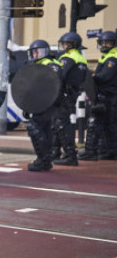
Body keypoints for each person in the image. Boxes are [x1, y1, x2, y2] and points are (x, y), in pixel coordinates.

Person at [26, 40, 63, 171]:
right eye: (33, 52)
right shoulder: (35, 65)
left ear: (46, 52)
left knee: (35, 128)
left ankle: (43, 159)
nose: (36, 54)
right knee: (44, 131)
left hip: (48, 104)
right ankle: (45, 159)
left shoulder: (52, 65)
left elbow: (52, 85)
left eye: (38, 51)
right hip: (38, 104)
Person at [80, 31, 117, 160]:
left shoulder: (112, 58)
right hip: (109, 96)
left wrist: (94, 77)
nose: (104, 45)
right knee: (109, 125)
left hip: (108, 96)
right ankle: (110, 151)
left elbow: (105, 77)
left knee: (95, 124)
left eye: (107, 42)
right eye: (102, 42)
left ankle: (91, 151)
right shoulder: (107, 56)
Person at [53, 31, 88, 167]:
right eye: (63, 43)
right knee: (59, 123)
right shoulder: (81, 58)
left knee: (62, 124)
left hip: (63, 95)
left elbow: (59, 75)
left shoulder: (68, 58)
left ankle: (70, 155)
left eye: (67, 44)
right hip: (72, 94)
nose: (64, 46)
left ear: (73, 45)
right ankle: (57, 152)